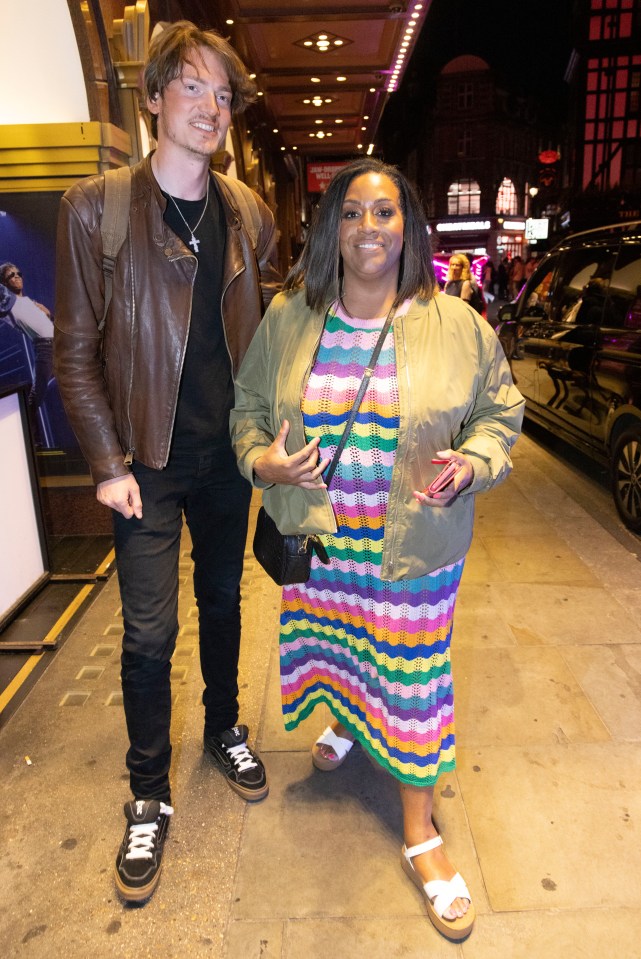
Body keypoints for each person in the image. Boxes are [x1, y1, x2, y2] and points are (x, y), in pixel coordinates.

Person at [230, 158, 524, 942]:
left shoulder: (456, 323)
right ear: (333, 228)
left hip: (412, 550)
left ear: (408, 226)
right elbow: (249, 408)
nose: (368, 227)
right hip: (323, 544)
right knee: (338, 649)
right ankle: (350, 722)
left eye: (384, 212)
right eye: (352, 212)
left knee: (411, 676)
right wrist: (262, 460)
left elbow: (501, 412)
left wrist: (473, 462)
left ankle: (420, 832)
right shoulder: (293, 314)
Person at [54, 20, 281, 903]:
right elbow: (74, 350)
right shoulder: (95, 207)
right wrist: (107, 461)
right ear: (152, 100)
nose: (212, 106)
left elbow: (261, 340)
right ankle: (148, 788)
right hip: (140, 463)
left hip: (226, 457)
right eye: (192, 87)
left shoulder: (247, 212)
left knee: (224, 602)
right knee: (149, 632)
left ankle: (222, 726)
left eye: (223, 94)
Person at [0, 262, 54, 445]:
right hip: (45, 349)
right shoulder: (8, 305)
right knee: (36, 394)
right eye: (10, 276)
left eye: (18, 273)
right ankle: (31, 438)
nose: (16, 277)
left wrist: (49, 314)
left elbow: (49, 325)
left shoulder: (31, 302)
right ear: (4, 283)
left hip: (61, 345)